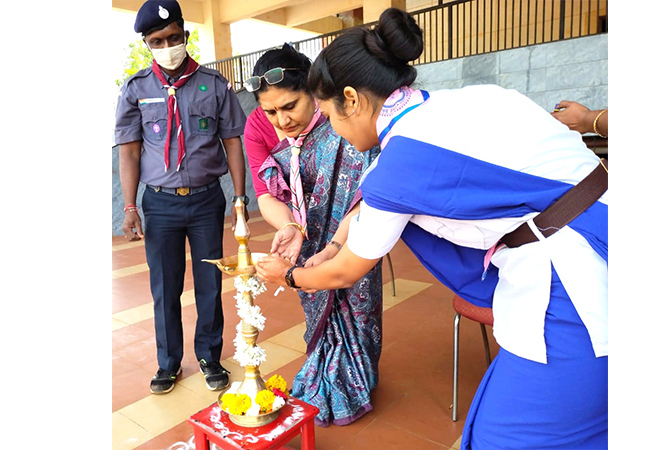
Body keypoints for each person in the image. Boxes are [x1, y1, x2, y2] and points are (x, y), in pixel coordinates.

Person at [256, 8, 608, 449]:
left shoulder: (401, 163)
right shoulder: (471, 100)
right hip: (605, 227)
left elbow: (346, 271)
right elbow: (374, 204)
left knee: (505, 436)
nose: (340, 134)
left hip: (575, 281)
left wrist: (288, 276)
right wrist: (333, 242)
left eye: (332, 116)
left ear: (352, 99)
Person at [244, 44, 384, 427]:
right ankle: (322, 371)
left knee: (354, 310)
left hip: (354, 240)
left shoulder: (342, 130)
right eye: (270, 112)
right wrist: (291, 226)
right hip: (308, 245)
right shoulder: (284, 144)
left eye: (290, 106)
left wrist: (337, 245)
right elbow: (267, 194)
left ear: (313, 93)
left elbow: (364, 197)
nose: (282, 119)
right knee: (318, 312)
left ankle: (354, 381)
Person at [115, 0, 248, 395]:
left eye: (174, 37)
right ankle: (168, 363)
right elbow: (130, 151)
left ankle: (210, 357)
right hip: (160, 203)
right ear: (147, 44)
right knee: (164, 285)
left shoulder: (214, 84)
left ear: (185, 37)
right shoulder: (136, 89)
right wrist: (129, 207)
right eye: (158, 41)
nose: (168, 45)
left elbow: (232, 144)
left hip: (207, 201)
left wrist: (240, 200)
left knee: (210, 281)